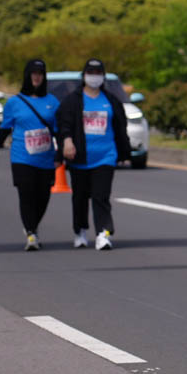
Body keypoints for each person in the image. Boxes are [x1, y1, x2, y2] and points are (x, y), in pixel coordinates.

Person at [55, 59, 131, 251]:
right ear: (84, 75)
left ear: (103, 76)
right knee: (80, 197)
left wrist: (124, 151)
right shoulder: (73, 100)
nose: (94, 76)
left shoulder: (111, 101)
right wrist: (67, 141)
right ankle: (80, 231)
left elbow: (121, 127)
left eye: (98, 72)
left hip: (105, 157)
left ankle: (103, 233)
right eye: (91, 72)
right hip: (80, 159)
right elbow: (63, 124)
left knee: (101, 196)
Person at [0, 59, 60, 251]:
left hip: (45, 158)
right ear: (27, 76)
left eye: (40, 73)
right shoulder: (14, 103)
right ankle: (31, 233)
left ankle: (32, 227)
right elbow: (4, 129)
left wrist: (60, 154)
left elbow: (59, 131)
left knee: (43, 197)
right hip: (22, 157)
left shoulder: (53, 102)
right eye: (33, 73)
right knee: (26, 194)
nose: (37, 77)